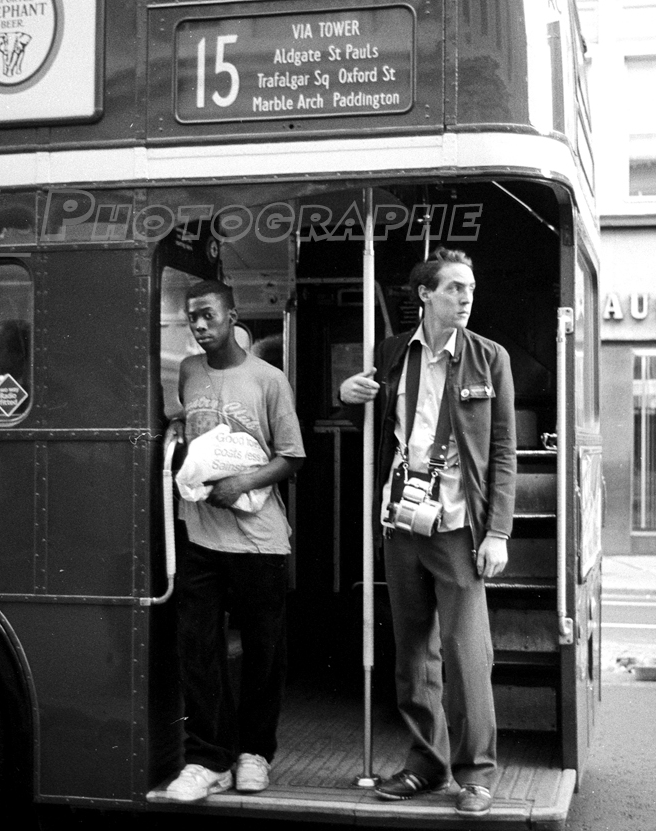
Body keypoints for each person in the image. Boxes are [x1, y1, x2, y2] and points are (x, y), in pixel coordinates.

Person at [338, 247, 515, 819]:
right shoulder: (391, 353)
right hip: (401, 520)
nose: (465, 298)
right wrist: (348, 398)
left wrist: (499, 532)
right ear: (425, 294)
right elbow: (374, 428)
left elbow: (503, 451)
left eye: (469, 288)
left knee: (466, 653)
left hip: (458, 526)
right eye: (454, 288)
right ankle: (426, 763)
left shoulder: (489, 358)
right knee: (413, 651)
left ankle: (476, 774)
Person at [166, 279, 305, 802]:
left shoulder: (269, 379)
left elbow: (292, 456)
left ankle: (254, 754)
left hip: (258, 541)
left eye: (208, 315)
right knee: (198, 649)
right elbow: (188, 426)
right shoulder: (188, 371)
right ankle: (207, 759)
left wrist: (241, 483)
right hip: (200, 535)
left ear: (232, 316)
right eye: (192, 318)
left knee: (263, 654)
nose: (200, 325)